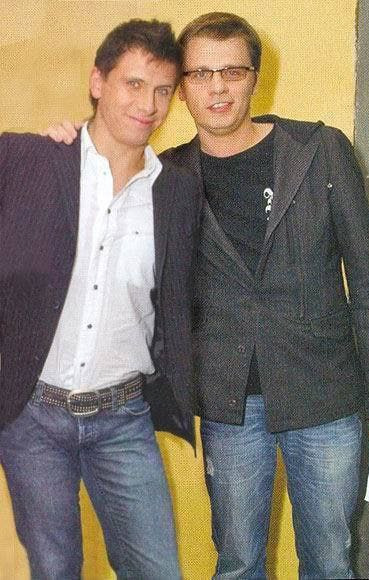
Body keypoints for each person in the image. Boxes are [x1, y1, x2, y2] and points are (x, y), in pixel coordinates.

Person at [44, 12, 369, 579]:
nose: (217, 88)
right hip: (228, 400)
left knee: (331, 561)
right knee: (236, 562)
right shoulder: (164, 179)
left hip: (326, 392)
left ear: (255, 77)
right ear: (181, 87)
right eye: (200, 74)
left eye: (232, 72)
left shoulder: (319, 150)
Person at [0, 18, 201, 580]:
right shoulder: (27, 160)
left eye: (162, 90)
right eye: (133, 84)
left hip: (124, 419)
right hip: (33, 418)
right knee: (55, 568)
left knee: (158, 570)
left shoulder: (178, 192)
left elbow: (180, 301)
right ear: (97, 82)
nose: (148, 104)